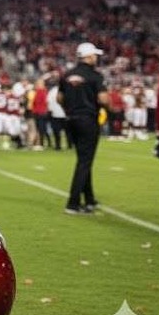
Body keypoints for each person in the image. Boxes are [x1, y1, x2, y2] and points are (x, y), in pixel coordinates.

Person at [58, 42, 108, 215]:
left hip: (71, 120)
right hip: (88, 119)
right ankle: (73, 203)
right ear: (89, 56)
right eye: (95, 55)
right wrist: (112, 108)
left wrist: (69, 109)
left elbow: (59, 98)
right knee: (85, 162)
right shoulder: (95, 76)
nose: (96, 58)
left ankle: (89, 199)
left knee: (83, 160)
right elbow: (103, 99)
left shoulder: (66, 75)